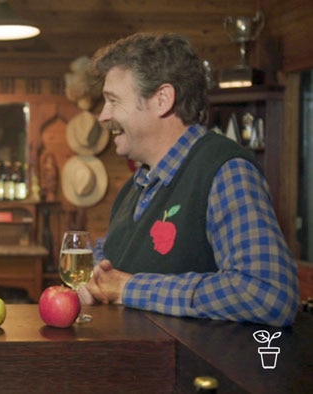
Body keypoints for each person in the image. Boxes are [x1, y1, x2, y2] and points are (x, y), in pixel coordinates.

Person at [83, 32, 300, 327]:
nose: (103, 116)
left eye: (113, 101)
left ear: (162, 99)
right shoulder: (136, 186)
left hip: (199, 373)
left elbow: (268, 294)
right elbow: (109, 267)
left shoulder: (225, 171)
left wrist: (129, 288)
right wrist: (96, 280)